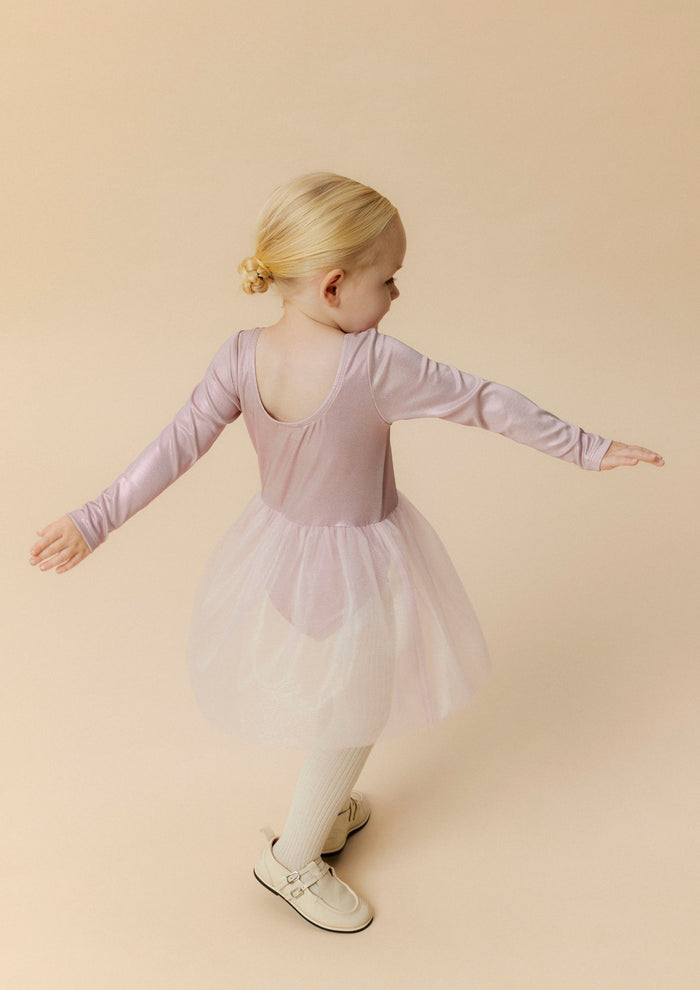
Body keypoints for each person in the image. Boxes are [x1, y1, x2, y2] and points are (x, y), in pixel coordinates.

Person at [29, 172, 664, 933]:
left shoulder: (240, 355)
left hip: (280, 558)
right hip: (358, 560)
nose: (396, 293)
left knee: (347, 689)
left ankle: (324, 811)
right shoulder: (374, 363)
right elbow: (484, 400)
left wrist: (94, 519)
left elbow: (174, 448)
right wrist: (587, 448)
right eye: (388, 279)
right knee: (360, 700)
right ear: (334, 286)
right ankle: (292, 857)